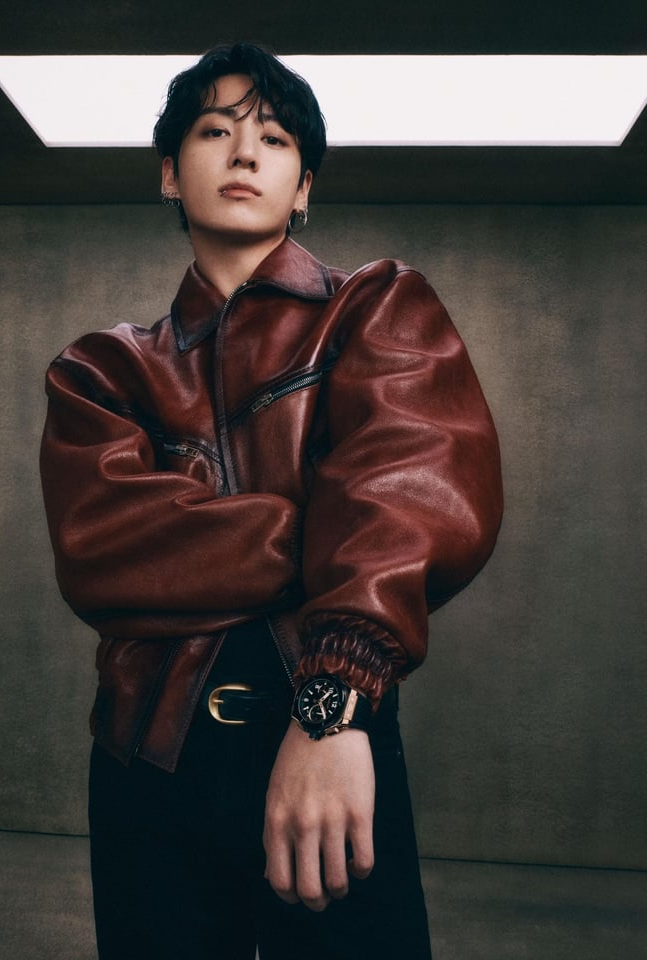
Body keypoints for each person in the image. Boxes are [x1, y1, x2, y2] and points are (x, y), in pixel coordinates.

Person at [40, 42, 503, 960]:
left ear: (303, 189)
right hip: (147, 762)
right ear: (169, 174)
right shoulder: (102, 370)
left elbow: (417, 502)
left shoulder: (376, 308)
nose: (245, 152)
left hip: (332, 736)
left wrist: (331, 710)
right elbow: (100, 549)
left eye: (276, 139)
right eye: (215, 132)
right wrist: (327, 523)